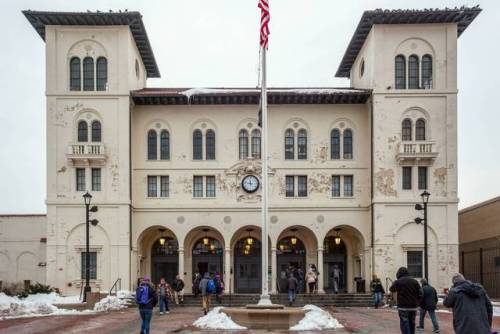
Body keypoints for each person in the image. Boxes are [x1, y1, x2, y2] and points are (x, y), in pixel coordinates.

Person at [389, 267, 422, 334]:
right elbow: (421, 293)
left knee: (404, 323)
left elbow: (391, 289)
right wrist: (418, 302)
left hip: (403, 306)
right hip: (413, 306)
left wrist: (395, 283)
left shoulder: (398, 281)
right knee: (412, 323)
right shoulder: (414, 281)